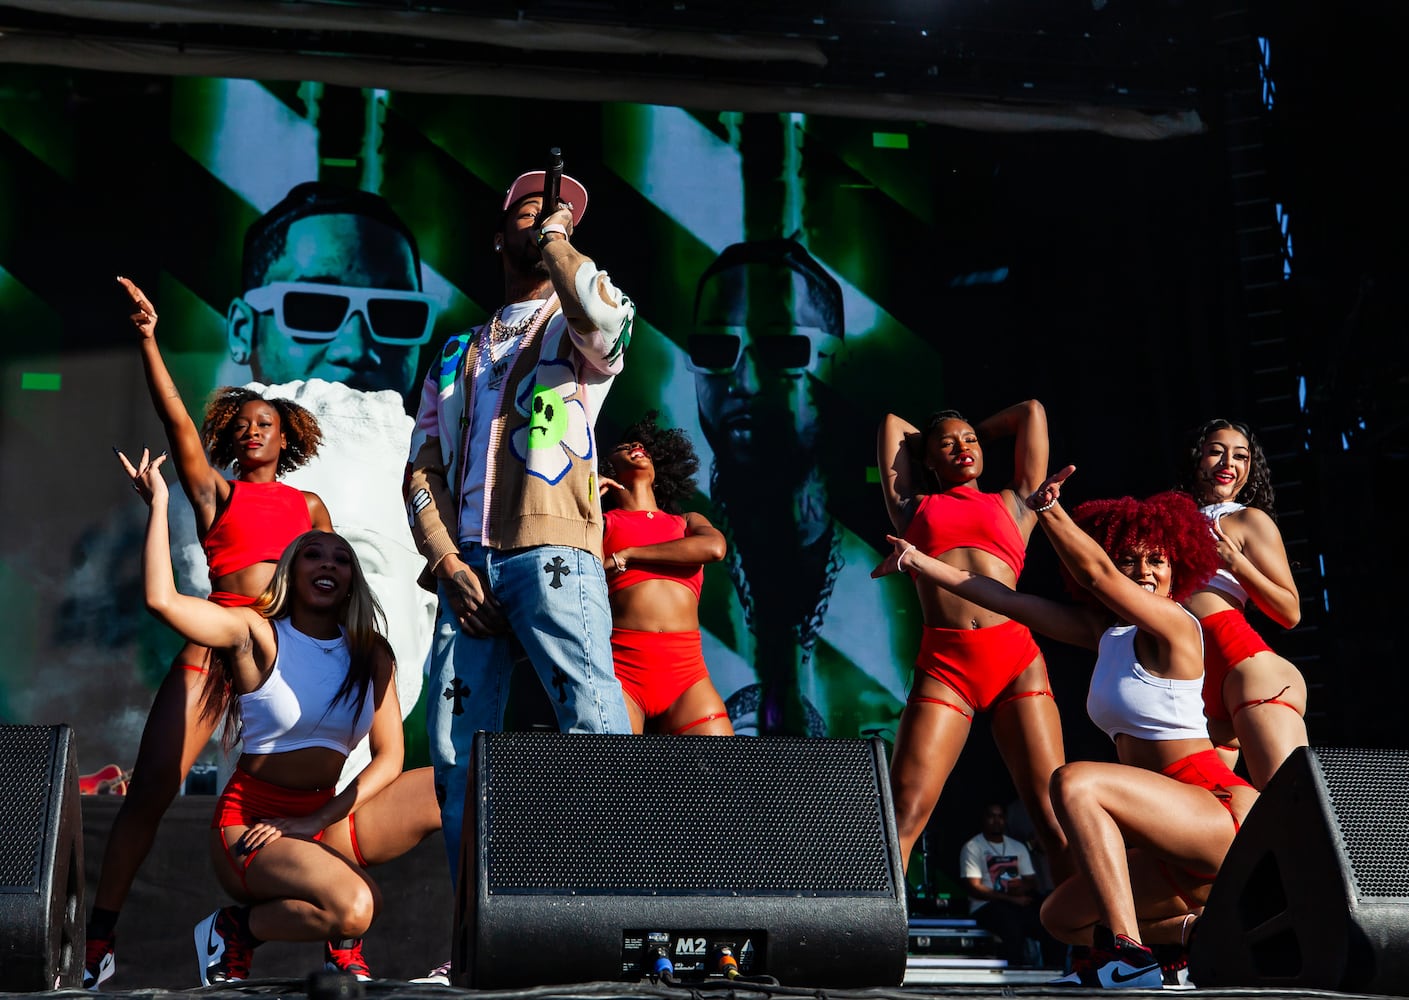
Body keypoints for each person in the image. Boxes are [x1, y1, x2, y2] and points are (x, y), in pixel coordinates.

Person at [878, 471, 1251, 989]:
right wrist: (918, 562)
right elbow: (1001, 599)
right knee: (1063, 917)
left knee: (1074, 782)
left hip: (1212, 812)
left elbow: (1097, 574)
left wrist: (1049, 511)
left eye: (1156, 562)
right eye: (1130, 560)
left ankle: (1131, 957)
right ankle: (1195, 939)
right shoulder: (1106, 634)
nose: (1143, 572)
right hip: (1167, 841)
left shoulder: (1177, 625)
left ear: (1176, 570)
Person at [84, 278, 334, 990]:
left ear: (286, 437)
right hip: (216, 645)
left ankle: (337, 942)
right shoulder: (213, 491)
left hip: (285, 660)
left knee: (320, 786)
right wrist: (147, 339)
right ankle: (99, 938)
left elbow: (329, 580)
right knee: (154, 788)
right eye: (245, 422)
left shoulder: (309, 504)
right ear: (232, 436)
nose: (254, 429)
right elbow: (176, 424)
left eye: (268, 422)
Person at [119, 447, 439, 986]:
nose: (329, 565)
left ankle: (468, 956)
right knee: (356, 905)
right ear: (293, 570)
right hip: (253, 828)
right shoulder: (257, 635)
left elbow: (391, 757)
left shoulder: (371, 653)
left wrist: (320, 818)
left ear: (351, 579)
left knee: (452, 786)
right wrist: (159, 503)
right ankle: (243, 929)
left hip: (321, 820)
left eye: (341, 558)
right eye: (314, 555)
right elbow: (162, 600)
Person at [406, 167, 636, 889]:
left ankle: (609, 914)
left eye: (562, 215)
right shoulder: (452, 353)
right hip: (467, 568)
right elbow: (421, 470)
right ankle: (474, 932)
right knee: (454, 753)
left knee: (593, 724)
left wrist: (561, 243)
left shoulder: (582, 322)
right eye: (532, 210)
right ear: (497, 231)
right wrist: (446, 562)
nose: (547, 219)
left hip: (553, 554)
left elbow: (600, 323)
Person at [171, 181, 440, 787]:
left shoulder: (419, 463)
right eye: (314, 308)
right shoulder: (220, 485)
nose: (354, 347)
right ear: (243, 328)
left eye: (395, 316)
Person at [873, 400, 1068, 878]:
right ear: (927, 459)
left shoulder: (1017, 501)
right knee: (904, 813)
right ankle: (873, 943)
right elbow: (893, 423)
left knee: (1053, 817)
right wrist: (936, 436)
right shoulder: (911, 507)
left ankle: (1092, 946)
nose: (963, 448)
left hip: (1016, 662)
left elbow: (1031, 412)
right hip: (946, 667)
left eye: (972, 442)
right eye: (949, 444)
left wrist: (959, 432)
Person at [688, 238, 847, 735]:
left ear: (834, 363)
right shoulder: (672, 540)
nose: (746, 381)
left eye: (782, 349)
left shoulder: (890, 556)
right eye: (716, 348)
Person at [1180, 418, 1307, 789]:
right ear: (1196, 459)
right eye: (1216, 452)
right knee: (1214, 824)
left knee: (1293, 807)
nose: (1227, 464)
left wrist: (1235, 563)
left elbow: (1290, 611)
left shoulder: (1248, 520)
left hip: (1237, 661)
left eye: (1240, 457)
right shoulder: (1169, 521)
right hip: (1189, 681)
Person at [598, 412, 732, 735]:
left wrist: (628, 556)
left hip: (687, 676)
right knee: (614, 783)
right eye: (624, 446)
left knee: (723, 782)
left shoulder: (686, 522)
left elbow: (714, 549)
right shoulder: (602, 523)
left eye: (640, 444)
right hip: (623, 672)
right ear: (606, 469)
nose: (636, 446)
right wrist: (586, 498)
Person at [959, 802, 1062, 968]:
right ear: (983, 819)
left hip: (1017, 902)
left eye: (1000, 816)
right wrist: (1010, 899)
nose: (996, 820)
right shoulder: (973, 847)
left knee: (1050, 921)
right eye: (991, 816)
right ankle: (1014, 974)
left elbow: (1031, 880)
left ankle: (1055, 971)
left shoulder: (1017, 846)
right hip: (986, 905)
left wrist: (1022, 887)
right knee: (1012, 925)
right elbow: (974, 887)